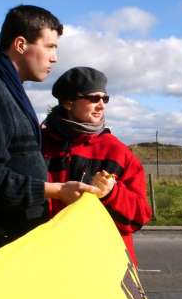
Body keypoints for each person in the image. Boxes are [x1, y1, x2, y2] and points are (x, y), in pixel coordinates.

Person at [0, 5, 100, 273]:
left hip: (7, 245)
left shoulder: (5, 88)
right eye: (50, 46)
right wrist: (55, 190)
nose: (54, 58)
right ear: (21, 44)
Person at [41, 66, 151, 266]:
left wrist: (112, 194)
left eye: (105, 99)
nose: (101, 105)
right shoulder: (38, 145)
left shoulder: (117, 152)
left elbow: (139, 217)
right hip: (48, 262)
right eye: (93, 98)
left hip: (101, 268)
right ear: (68, 102)